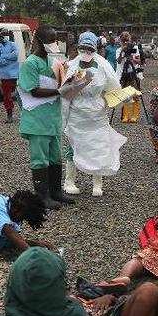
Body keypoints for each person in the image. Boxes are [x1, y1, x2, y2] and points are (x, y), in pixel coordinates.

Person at [61, 31, 127, 197]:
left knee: (98, 146)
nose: (86, 53)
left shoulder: (103, 65)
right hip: (77, 114)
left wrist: (121, 98)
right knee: (73, 146)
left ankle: (97, 184)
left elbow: (114, 88)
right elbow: (66, 94)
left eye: (89, 49)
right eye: (83, 49)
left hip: (97, 113)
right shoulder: (73, 65)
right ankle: (69, 181)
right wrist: (63, 120)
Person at [18, 25, 74, 210]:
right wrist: (59, 90)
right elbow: (33, 90)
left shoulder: (52, 60)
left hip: (52, 119)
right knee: (40, 159)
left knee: (55, 156)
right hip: (37, 120)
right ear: (40, 41)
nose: (54, 44)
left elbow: (61, 80)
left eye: (55, 40)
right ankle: (42, 196)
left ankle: (55, 191)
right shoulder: (31, 63)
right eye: (51, 40)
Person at [0, 28, 20, 123]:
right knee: (7, 96)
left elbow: (15, 56)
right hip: (4, 76)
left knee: (19, 94)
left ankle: (24, 112)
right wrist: (9, 58)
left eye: (6, 34)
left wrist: (3, 57)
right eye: (2, 34)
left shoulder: (12, 44)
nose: (4, 36)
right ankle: (9, 115)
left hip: (14, 75)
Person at [116, 32, 143, 123]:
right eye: (123, 41)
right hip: (124, 74)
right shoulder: (119, 50)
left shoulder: (134, 48)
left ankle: (134, 115)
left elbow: (139, 61)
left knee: (135, 94)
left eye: (127, 40)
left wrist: (132, 59)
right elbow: (119, 62)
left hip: (133, 73)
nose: (125, 43)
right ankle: (125, 116)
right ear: (120, 41)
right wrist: (122, 52)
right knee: (125, 95)